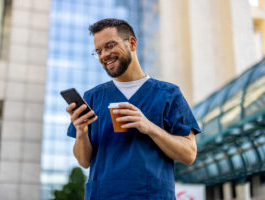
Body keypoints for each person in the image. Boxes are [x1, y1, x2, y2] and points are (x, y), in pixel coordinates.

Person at [66, 18, 201, 200]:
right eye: (98, 51)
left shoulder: (169, 94)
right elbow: (83, 161)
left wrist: (150, 127)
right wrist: (81, 131)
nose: (104, 55)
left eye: (110, 45)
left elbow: (189, 154)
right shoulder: (92, 98)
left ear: (132, 43)